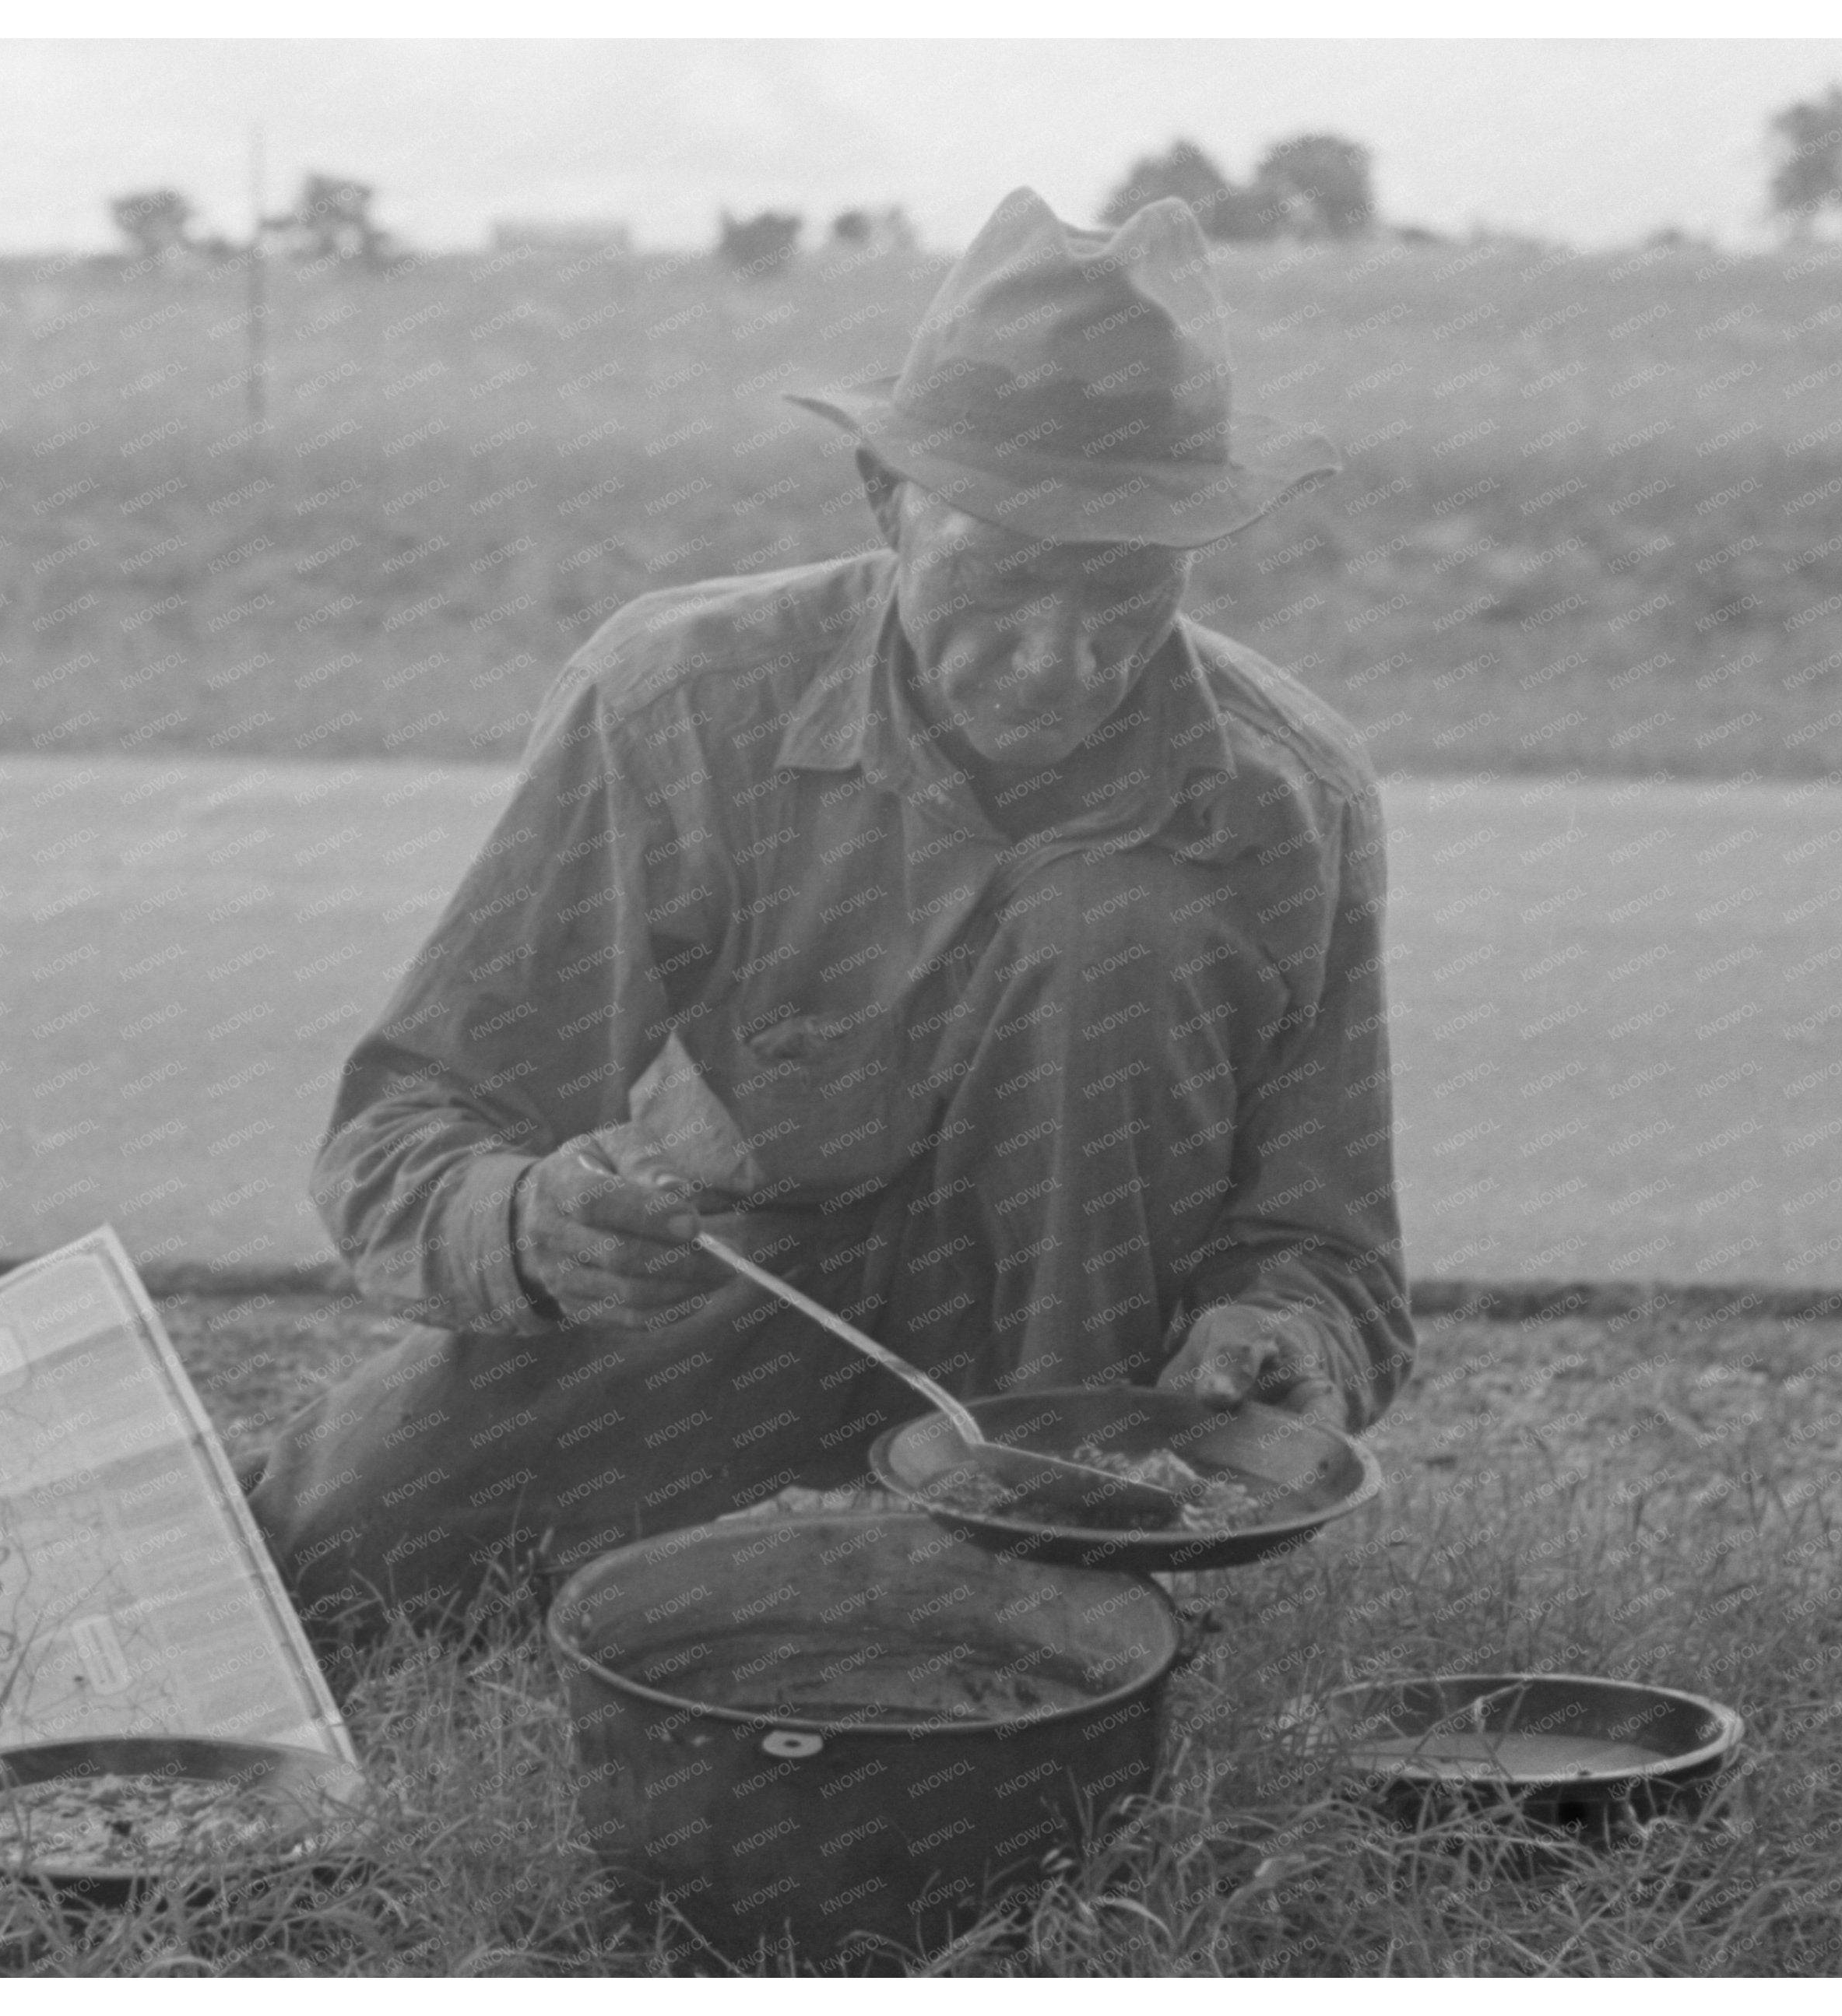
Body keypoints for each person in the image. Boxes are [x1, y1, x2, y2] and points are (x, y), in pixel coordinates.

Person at [245, 188, 1413, 1634]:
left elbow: (1336, 1247)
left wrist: (1285, 1334)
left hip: (1088, 1366)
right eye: (1004, 580)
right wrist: (534, 1222)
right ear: (885, 499)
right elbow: (402, 1133)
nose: (1059, 659)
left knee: (1112, 925)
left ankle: (1050, 1558)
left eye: (1126, 590)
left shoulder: (1286, 798)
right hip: (738, 1288)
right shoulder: (681, 699)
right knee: (338, 1545)